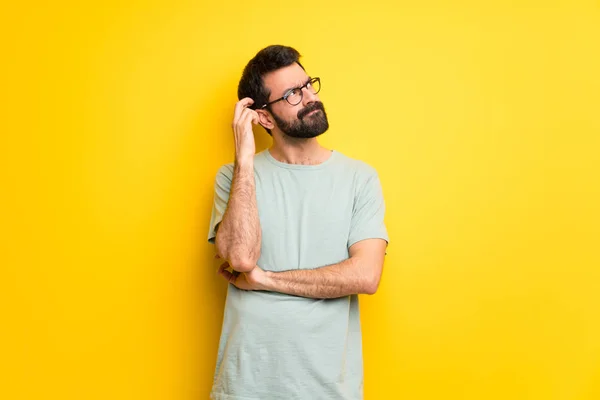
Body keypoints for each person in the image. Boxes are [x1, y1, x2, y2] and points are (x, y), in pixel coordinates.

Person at [207, 45, 389, 400]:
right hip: (245, 387)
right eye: (292, 94)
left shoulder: (359, 178)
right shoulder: (232, 177)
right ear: (264, 118)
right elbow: (241, 259)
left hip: (327, 390)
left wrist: (265, 279)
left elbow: (365, 276)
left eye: (308, 85)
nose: (310, 97)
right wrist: (244, 159)